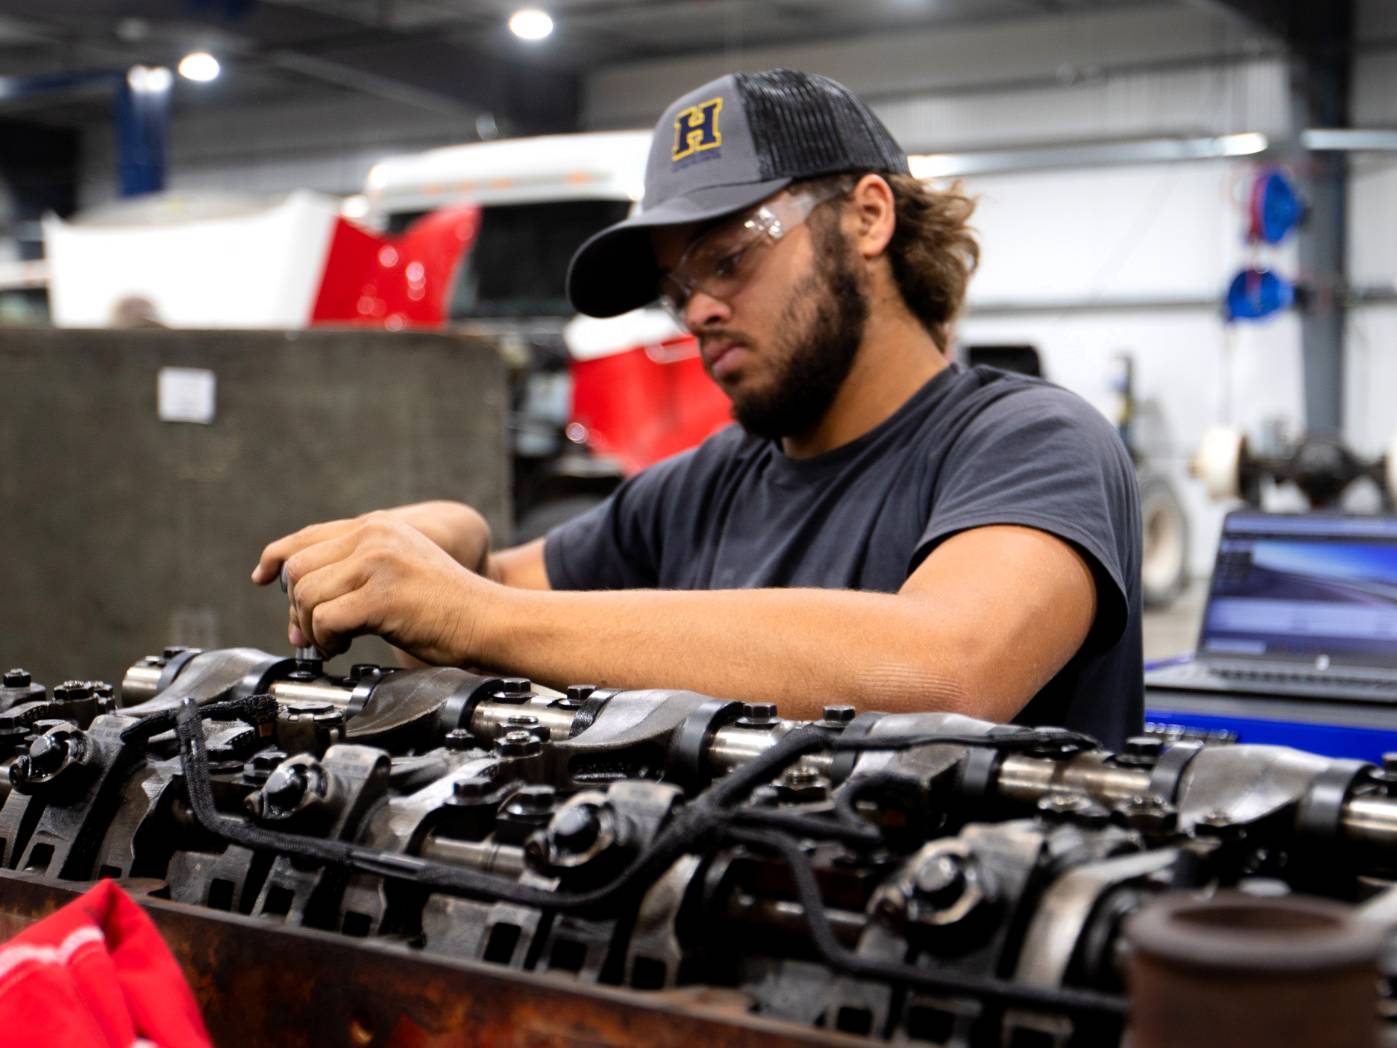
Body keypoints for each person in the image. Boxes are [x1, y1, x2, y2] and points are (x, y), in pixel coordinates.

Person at [252, 69, 1143, 746]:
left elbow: (944, 669)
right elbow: (463, 613)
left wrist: (475, 612)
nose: (698, 310)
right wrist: (459, 545)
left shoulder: (1029, 442)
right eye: (676, 289)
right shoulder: (700, 488)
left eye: (727, 259)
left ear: (867, 218)